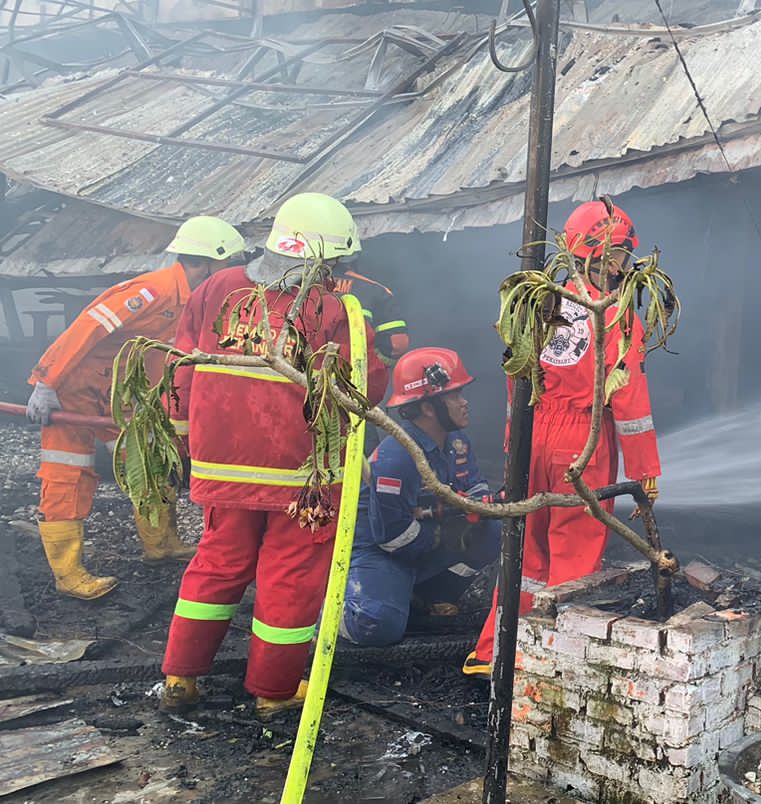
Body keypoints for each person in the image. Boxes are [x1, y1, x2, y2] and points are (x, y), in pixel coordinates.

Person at [158, 193, 387, 718]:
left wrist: (180, 434)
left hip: (222, 467)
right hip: (301, 475)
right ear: (327, 261)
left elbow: (182, 361)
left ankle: (180, 677)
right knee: (292, 573)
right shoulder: (332, 308)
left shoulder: (217, 287)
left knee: (217, 563)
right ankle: (273, 690)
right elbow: (364, 387)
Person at [466, 198, 662, 677]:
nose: (624, 266)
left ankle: (492, 652)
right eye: (620, 255)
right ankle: (545, 666)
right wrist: (644, 473)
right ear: (604, 255)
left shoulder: (540, 303)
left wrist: (516, 449)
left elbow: (518, 381)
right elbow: (630, 405)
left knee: (526, 553)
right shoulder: (616, 317)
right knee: (573, 558)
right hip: (583, 444)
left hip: (535, 436)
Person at [25, 216, 247, 600]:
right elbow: (86, 328)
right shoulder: (152, 291)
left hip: (121, 395)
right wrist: (46, 381)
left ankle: (161, 544)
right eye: (230, 265)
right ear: (206, 263)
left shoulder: (195, 300)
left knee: (150, 464)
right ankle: (69, 575)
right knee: (67, 476)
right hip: (74, 392)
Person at [341, 347, 499, 647]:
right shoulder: (396, 457)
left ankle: (428, 597)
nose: (464, 402)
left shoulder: (456, 443)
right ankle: (338, 609)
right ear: (428, 408)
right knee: (376, 626)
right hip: (379, 552)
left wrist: (482, 508)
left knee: (492, 531)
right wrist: (446, 532)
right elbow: (392, 537)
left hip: (423, 539)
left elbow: (475, 488)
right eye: (454, 396)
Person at [331, 266, 409, 367]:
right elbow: (397, 344)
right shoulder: (376, 291)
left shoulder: (306, 285)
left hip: (308, 375)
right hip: (356, 377)